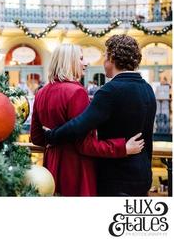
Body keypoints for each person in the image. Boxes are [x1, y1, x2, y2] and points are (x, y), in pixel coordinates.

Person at [45, 35, 156, 196]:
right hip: (142, 174)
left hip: (115, 178)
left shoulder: (110, 91)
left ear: (112, 58)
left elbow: (79, 126)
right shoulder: (147, 89)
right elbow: (148, 138)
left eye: (104, 56)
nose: (103, 62)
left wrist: (51, 135)